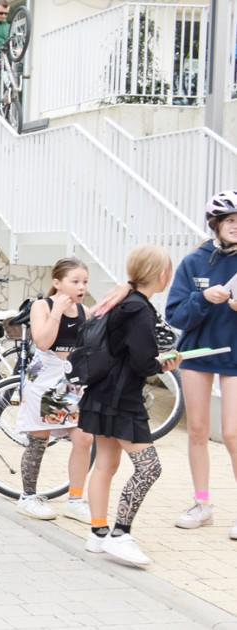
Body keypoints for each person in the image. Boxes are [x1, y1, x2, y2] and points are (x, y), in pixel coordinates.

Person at [81, 245, 183, 567]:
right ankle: (120, 533)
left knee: (105, 466)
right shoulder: (139, 309)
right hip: (122, 399)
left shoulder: (121, 299)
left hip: (101, 393)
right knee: (149, 468)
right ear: (160, 274)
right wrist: (164, 363)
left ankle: (98, 533)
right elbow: (142, 361)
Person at [165, 190, 237, 537]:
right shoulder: (195, 261)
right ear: (216, 224)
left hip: (235, 356)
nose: (236, 226)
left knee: (233, 434)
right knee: (196, 430)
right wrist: (203, 298)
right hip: (196, 355)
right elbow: (175, 314)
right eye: (230, 220)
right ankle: (202, 503)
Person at [13, 257, 95, 522]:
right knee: (40, 439)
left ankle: (74, 499)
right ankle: (27, 498)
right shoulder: (42, 306)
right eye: (75, 281)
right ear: (57, 283)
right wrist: (58, 311)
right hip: (44, 378)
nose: (81, 287)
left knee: (84, 438)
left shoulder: (87, 311)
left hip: (72, 381)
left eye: (84, 282)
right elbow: (44, 342)